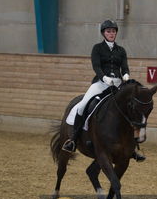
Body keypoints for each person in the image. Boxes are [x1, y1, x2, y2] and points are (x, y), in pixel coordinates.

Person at [62, 19, 146, 162]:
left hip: (118, 84)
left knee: (131, 110)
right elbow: (96, 66)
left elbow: (124, 66)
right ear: (103, 33)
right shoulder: (97, 48)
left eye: (113, 31)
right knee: (82, 106)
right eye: (108, 31)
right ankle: (73, 140)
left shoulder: (121, 50)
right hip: (101, 84)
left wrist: (126, 74)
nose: (111, 33)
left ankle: (134, 148)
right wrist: (104, 78)